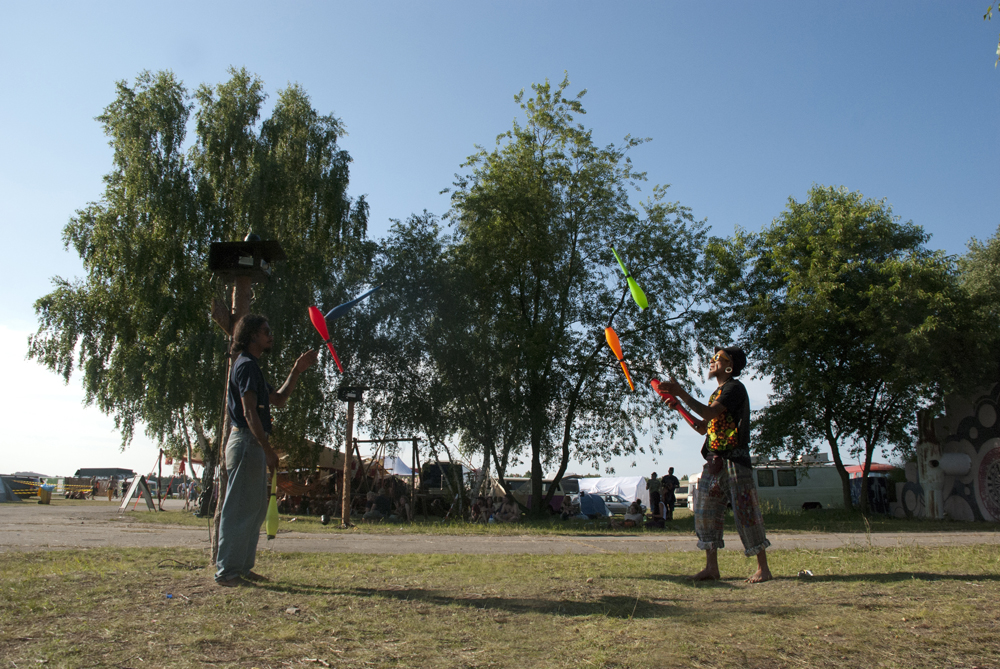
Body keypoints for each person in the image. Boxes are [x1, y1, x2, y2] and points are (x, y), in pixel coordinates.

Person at [215, 314, 318, 587]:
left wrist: (297, 370)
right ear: (251, 336)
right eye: (265, 331)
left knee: (255, 510)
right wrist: (267, 449)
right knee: (239, 509)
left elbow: (279, 399)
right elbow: (250, 413)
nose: (270, 335)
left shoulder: (253, 368)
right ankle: (227, 572)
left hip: (252, 444)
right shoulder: (246, 366)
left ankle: (242, 568)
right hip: (248, 442)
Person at [657, 346, 772, 583]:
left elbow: (709, 414)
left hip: (734, 462)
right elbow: (703, 427)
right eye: (713, 357)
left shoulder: (734, 389)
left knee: (745, 512)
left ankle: (763, 568)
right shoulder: (717, 393)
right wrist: (678, 406)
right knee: (706, 513)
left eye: (719, 358)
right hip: (713, 461)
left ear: (730, 367)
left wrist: (682, 393)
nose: (713, 360)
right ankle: (712, 568)